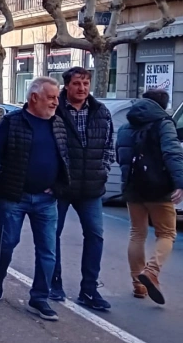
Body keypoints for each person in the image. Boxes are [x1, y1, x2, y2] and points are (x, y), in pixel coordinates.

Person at [0, 77, 69, 322]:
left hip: (47, 199)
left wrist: (60, 186)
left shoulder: (59, 125)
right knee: (7, 244)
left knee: (48, 251)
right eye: (51, 97)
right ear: (34, 98)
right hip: (13, 196)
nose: (56, 102)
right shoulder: (12, 122)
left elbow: (66, 158)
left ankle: (39, 297)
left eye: (56, 97)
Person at [50, 67, 113, 310]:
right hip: (61, 186)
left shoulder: (100, 111)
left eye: (86, 83)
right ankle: (54, 282)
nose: (82, 88)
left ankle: (89, 289)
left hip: (91, 187)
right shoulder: (55, 110)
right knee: (52, 236)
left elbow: (109, 144)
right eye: (77, 83)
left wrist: (103, 169)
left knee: (95, 236)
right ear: (67, 85)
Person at [115, 89, 183, 305]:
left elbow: (120, 155)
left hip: (133, 187)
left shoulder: (126, 125)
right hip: (158, 188)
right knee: (166, 233)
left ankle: (138, 284)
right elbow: (172, 153)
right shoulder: (164, 123)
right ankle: (151, 271)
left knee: (137, 233)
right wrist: (180, 183)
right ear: (163, 105)